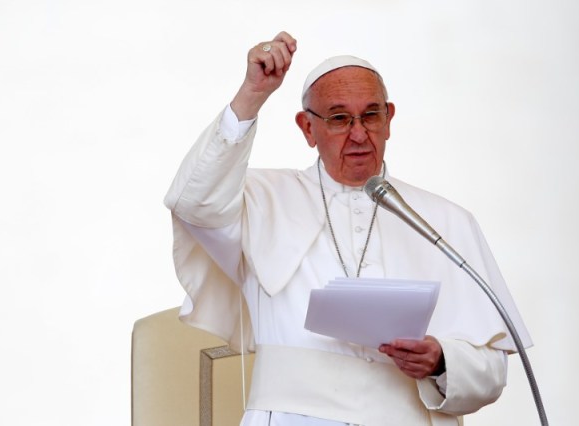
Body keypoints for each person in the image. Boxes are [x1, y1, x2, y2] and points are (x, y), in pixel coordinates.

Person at [164, 31, 531, 426]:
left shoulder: (446, 221)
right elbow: (193, 201)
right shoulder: (259, 199)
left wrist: (441, 360)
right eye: (339, 118)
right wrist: (252, 94)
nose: (359, 134)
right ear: (307, 128)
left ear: (389, 119)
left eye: (371, 115)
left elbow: (492, 370)